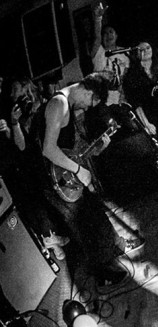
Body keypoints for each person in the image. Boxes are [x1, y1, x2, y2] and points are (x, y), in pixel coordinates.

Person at [38, 73, 137, 282]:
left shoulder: (69, 105)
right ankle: (103, 274)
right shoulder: (59, 104)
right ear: (89, 92)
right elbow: (48, 149)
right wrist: (78, 170)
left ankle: (113, 252)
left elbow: (69, 149)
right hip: (58, 181)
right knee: (84, 226)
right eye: (93, 101)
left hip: (67, 174)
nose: (90, 106)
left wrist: (97, 148)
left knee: (94, 214)